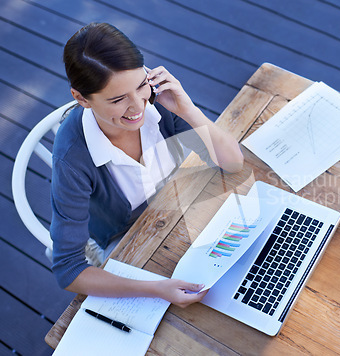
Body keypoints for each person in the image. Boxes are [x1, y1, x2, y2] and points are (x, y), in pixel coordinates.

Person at [51, 22, 244, 307]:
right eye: (118, 100)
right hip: (129, 239)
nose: (139, 106)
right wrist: (156, 289)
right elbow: (68, 270)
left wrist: (186, 109)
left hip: (184, 208)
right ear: (81, 98)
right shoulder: (72, 158)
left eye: (141, 85)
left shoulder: (159, 101)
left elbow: (233, 163)